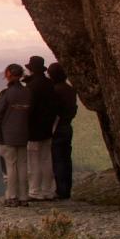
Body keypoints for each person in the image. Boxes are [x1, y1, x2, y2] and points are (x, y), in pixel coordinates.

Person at [0, 63, 30, 206]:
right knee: (22, 164)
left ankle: (12, 196)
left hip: (8, 134)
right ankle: (24, 197)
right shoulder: (27, 92)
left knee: (11, 165)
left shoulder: (6, 94)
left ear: (8, 74)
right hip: (24, 132)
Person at [23, 55, 57, 200]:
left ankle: (35, 191)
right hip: (47, 127)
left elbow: (29, 108)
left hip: (34, 129)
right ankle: (48, 191)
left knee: (33, 161)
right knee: (46, 159)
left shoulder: (32, 86)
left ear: (31, 70)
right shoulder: (50, 84)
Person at [48, 62, 78, 199]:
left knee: (58, 159)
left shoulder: (55, 91)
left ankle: (60, 190)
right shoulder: (70, 90)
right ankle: (67, 189)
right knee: (66, 159)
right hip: (67, 126)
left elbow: (53, 111)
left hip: (57, 127)